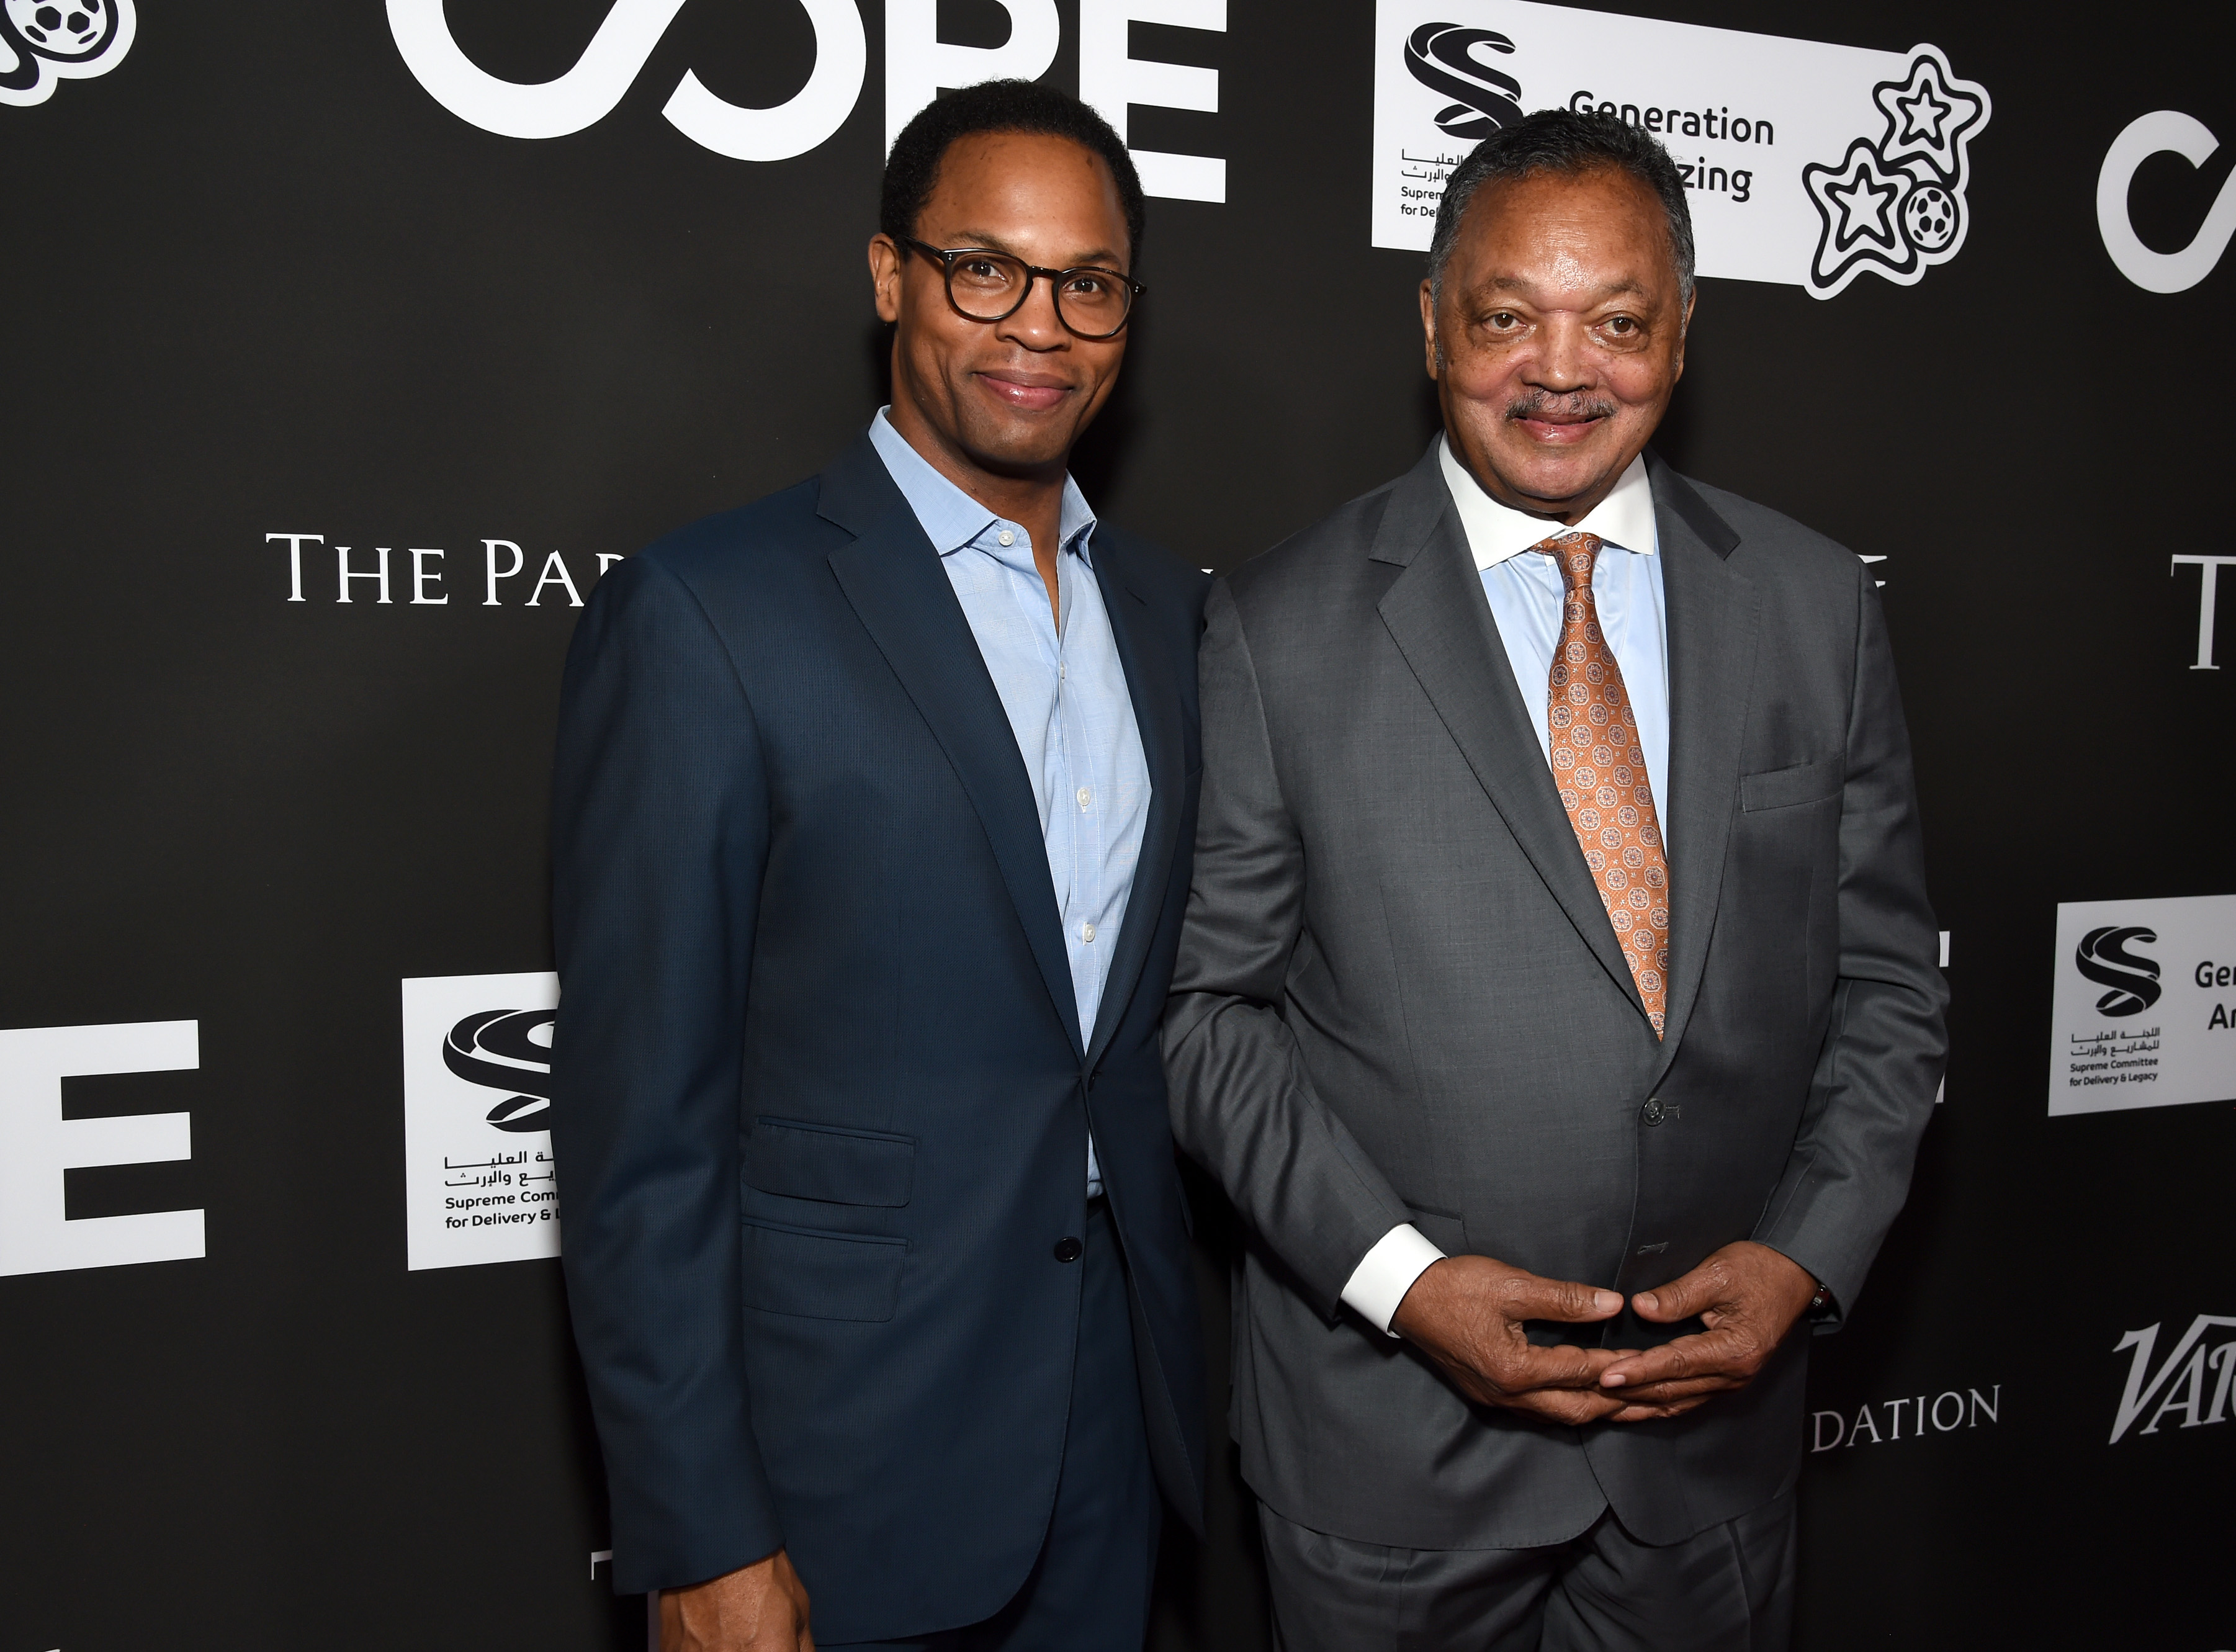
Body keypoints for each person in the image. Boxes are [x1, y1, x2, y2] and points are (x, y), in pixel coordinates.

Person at [1163, 109, 1947, 1650]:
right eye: (1508, 315)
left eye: (1619, 319)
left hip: (1705, 1459)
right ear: (1432, 320)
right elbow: (1209, 1017)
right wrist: (1404, 1282)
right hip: (1390, 1460)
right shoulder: (1275, 625)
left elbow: (1885, 988)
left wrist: (1802, 1258)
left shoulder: (1810, 606)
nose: (1561, 367)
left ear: (1683, 331)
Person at [551, 79, 1208, 1652]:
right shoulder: (711, 611)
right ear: (888, 276)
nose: (1036, 322)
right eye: (983, 266)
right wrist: (702, 1532)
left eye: (1088, 282)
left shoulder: (1177, 618)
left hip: (1117, 1429)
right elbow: (639, 1134)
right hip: (840, 1458)